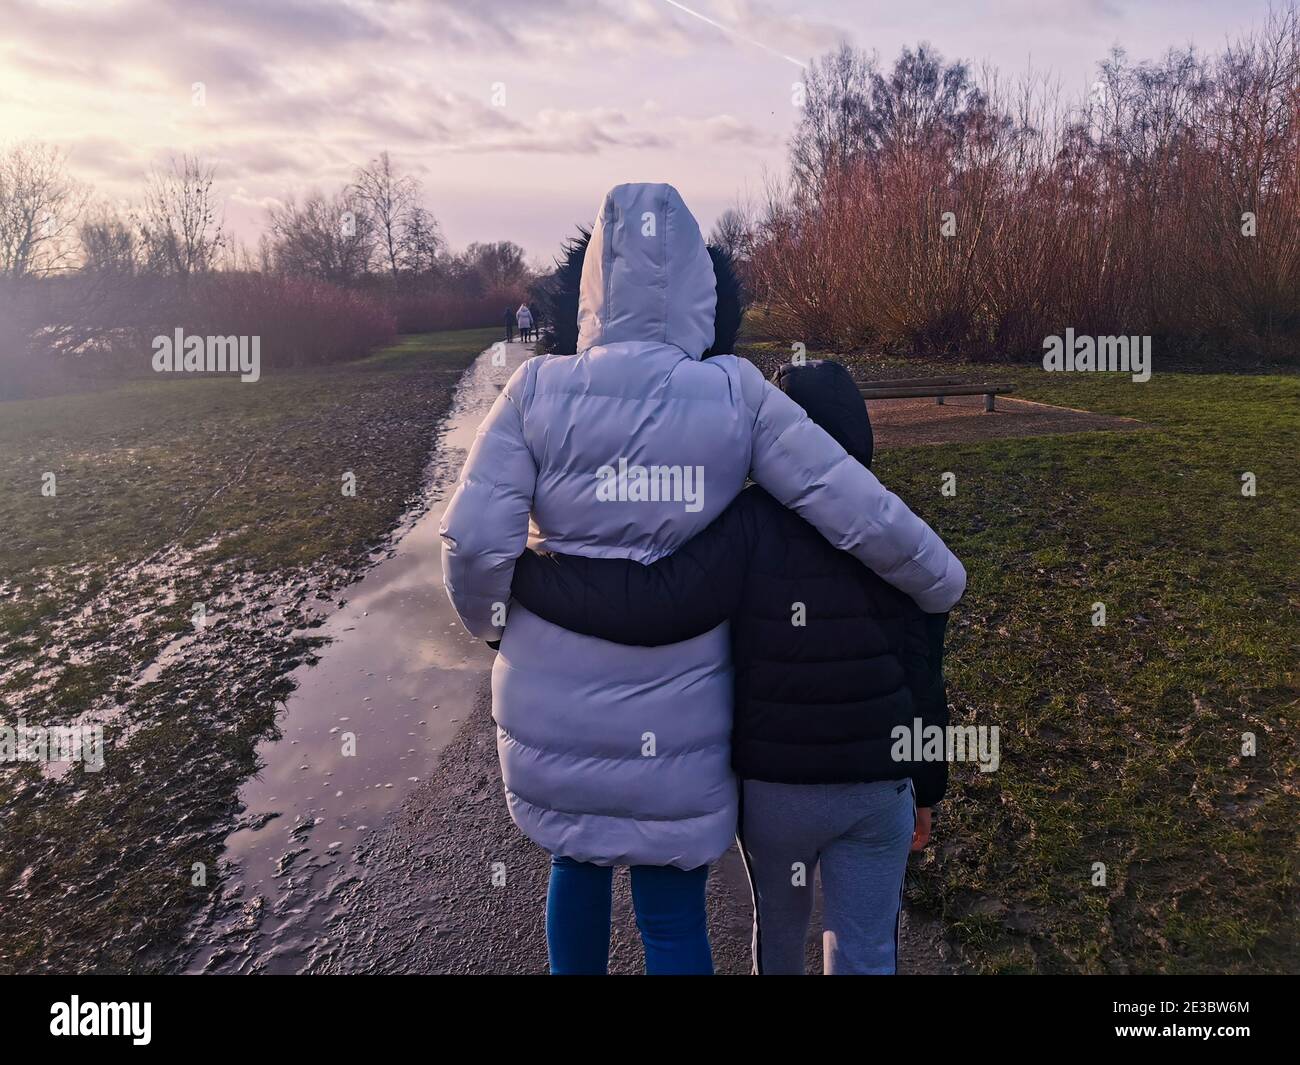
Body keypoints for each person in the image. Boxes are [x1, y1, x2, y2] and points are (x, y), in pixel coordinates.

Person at [439, 182, 964, 976]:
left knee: (572, 865)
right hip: (678, 720)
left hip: (551, 702)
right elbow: (846, 499)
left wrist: (497, 624)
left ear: (591, 288)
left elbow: (475, 544)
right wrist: (939, 576)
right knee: (671, 898)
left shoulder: (534, 391)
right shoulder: (733, 393)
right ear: (698, 287)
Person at [511, 359, 951, 975]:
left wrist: (525, 571)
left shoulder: (749, 525)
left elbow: (657, 606)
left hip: (778, 791)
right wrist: (928, 789)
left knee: (779, 941)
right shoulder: (898, 534)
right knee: (868, 949)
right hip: (880, 789)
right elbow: (927, 679)